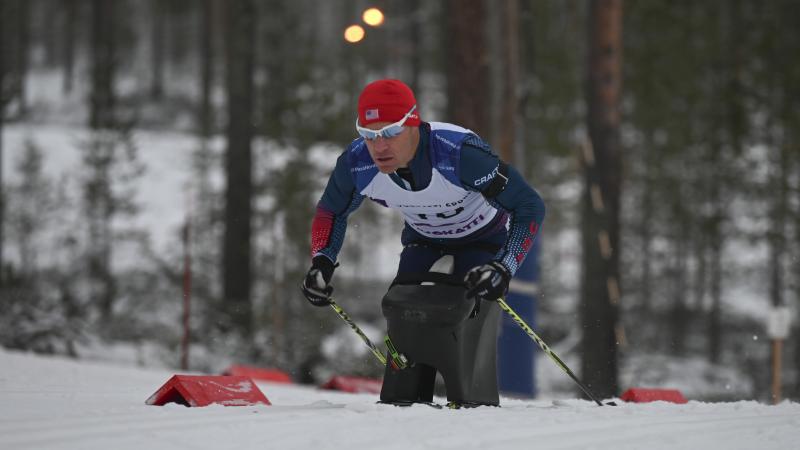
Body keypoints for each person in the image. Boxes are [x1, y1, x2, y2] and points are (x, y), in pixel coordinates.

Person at [301, 79, 545, 405]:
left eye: (390, 132)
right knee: (401, 308)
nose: (379, 146)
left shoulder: (458, 155)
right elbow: (330, 211)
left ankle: (473, 404)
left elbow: (529, 205)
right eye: (369, 135)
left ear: (413, 123)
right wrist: (322, 262)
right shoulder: (358, 163)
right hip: (424, 238)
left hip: (483, 238)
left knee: (465, 312)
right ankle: (405, 401)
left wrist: (505, 265)